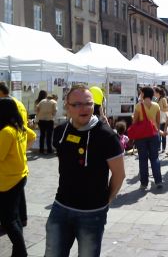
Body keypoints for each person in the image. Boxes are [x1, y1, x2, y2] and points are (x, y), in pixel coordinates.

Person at [44, 84, 125, 257]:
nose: (84, 108)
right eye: (77, 104)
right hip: (61, 207)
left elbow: (119, 175)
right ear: (67, 106)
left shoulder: (106, 136)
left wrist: (105, 201)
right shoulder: (60, 132)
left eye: (88, 103)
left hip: (92, 213)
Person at [0, 98, 36, 256]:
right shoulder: (19, 127)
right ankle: (18, 251)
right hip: (20, 175)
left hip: (7, 180)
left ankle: (21, 251)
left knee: (8, 220)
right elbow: (33, 135)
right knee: (14, 217)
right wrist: (20, 152)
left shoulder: (7, 131)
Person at [132, 86, 163, 189]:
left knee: (143, 159)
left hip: (141, 136)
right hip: (154, 135)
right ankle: (158, 181)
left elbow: (134, 122)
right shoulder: (156, 106)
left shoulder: (138, 106)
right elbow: (158, 122)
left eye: (141, 93)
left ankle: (144, 183)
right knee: (155, 158)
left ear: (144, 94)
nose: (140, 94)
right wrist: (157, 131)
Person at [154, 86, 168, 153]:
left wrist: (160, 109)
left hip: (163, 119)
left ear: (158, 93)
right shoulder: (157, 99)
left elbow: (166, 109)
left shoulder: (163, 99)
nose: (154, 93)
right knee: (158, 133)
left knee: (163, 133)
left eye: (155, 92)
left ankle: (163, 148)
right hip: (158, 118)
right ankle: (158, 147)